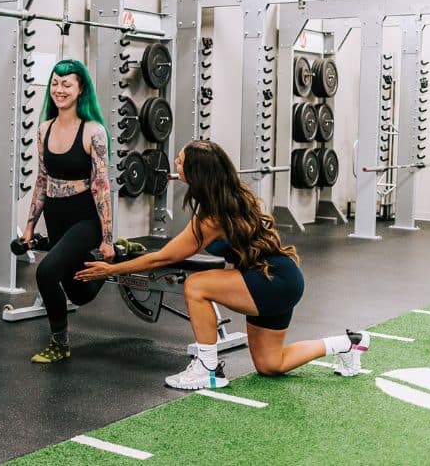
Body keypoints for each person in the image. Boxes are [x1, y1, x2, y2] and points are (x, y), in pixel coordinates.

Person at [77, 140, 369, 389]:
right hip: (280, 278)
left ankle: (208, 369)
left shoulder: (212, 215)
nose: (175, 165)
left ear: (196, 172)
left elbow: (166, 257)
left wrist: (110, 270)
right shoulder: (230, 198)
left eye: (180, 161)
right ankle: (347, 343)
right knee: (271, 364)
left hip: (272, 280)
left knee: (196, 285)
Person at [21, 59, 114, 363]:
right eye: (55, 83)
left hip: (85, 217)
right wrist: (29, 226)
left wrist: (108, 237)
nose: (59, 90)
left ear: (80, 89)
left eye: (67, 84)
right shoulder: (44, 129)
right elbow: (42, 180)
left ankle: (59, 344)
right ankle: (103, 267)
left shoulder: (93, 131)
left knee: (46, 272)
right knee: (78, 292)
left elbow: (101, 186)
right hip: (56, 215)